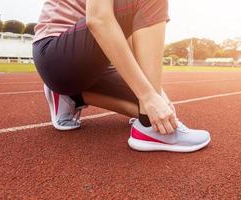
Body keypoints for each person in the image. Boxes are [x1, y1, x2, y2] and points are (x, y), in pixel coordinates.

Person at [33, 0, 211, 152]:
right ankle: (149, 129)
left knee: (155, 113)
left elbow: (127, 35)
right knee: (149, 108)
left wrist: (155, 94)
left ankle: (71, 96)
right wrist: (148, 95)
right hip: (57, 53)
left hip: (89, 60)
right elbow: (99, 19)